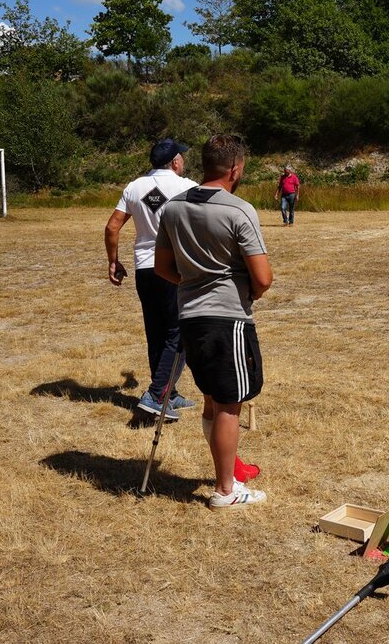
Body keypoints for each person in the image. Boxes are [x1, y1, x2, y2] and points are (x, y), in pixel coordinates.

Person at [155, 134, 272, 508]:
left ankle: (226, 474)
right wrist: (246, 291)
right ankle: (226, 490)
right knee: (229, 403)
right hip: (228, 319)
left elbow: (162, 267)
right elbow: (264, 277)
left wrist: (192, 283)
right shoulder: (239, 210)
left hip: (190, 317)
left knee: (212, 400)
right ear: (236, 168)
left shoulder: (172, 209)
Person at [105, 138, 199, 419]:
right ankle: (157, 395)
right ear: (175, 162)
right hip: (174, 268)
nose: (183, 160)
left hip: (144, 268)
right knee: (179, 333)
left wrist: (113, 260)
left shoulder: (134, 187)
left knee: (156, 332)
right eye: (181, 156)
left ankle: (169, 393)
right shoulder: (187, 187)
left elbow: (112, 227)